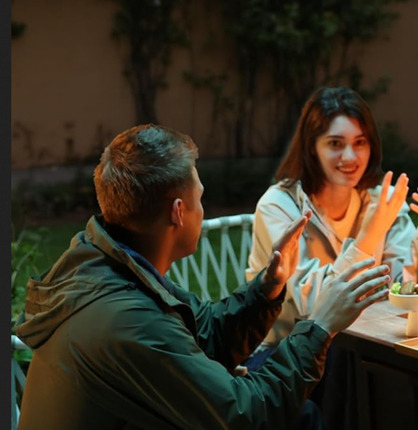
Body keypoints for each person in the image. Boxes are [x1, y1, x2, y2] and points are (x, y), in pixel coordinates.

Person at [13, 124, 390, 430]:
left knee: (302, 414)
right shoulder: (125, 318)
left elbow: (204, 331)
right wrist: (320, 324)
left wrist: (267, 287)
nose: (202, 208)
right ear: (178, 211)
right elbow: (244, 416)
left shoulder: (109, 264)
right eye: (200, 197)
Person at [244, 86, 418, 428]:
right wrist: (371, 233)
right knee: (361, 364)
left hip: (365, 346)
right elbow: (315, 308)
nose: (350, 156)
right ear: (312, 146)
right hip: (282, 354)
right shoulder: (280, 206)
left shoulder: (377, 199)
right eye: (335, 143)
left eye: (360, 142)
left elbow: (408, 292)